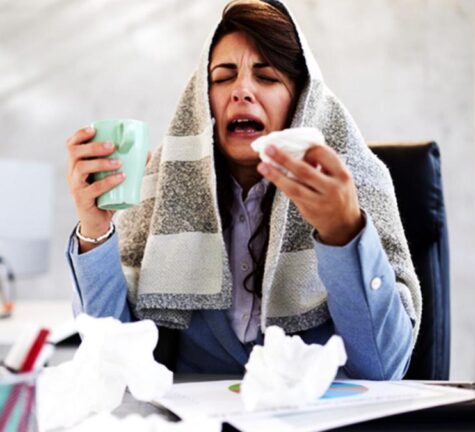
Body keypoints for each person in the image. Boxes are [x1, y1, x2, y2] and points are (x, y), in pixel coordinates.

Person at [65, 0, 421, 379]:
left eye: (266, 77)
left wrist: (343, 233)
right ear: (202, 101)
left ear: (301, 102)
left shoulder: (355, 182)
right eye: (223, 78)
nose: (242, 91)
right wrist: (94, 229)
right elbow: (111, 360)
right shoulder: (165, 184)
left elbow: (383, 368)